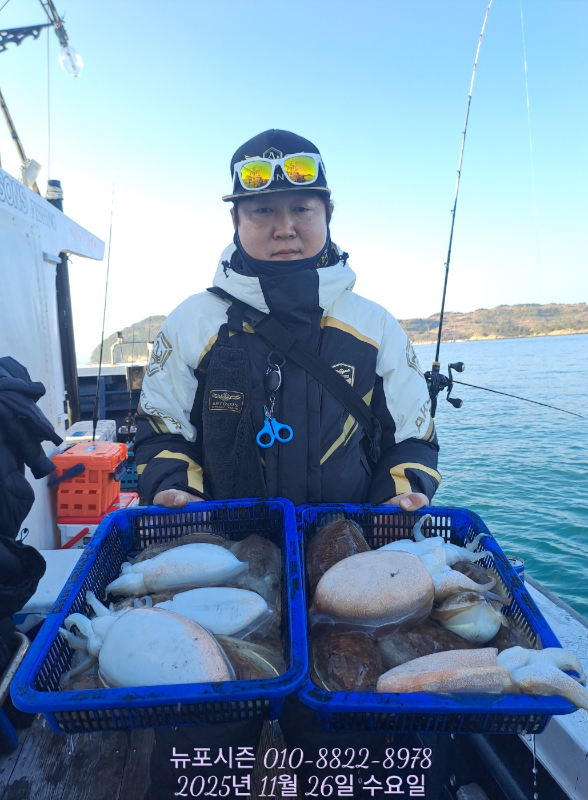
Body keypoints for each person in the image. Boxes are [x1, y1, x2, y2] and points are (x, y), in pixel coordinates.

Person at [135, 129, 441, 799]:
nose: (284, 227)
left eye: (301, 208)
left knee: (343, 738)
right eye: (262, 211)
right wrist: (171, 486)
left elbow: (414, 435)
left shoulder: (375, 324)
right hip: (223, 556)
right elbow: (159, 427)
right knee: (204, 739)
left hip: (344, 562)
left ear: (327, 213)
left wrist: (404, 490)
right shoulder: (191, 321)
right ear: (236, 221)